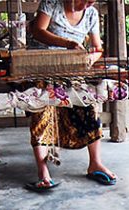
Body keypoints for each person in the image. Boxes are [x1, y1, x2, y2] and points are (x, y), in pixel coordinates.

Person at [25, 0, 116, 191]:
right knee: (43, 111)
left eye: (92, 1)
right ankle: (43, 172)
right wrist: (68, 44)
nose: (87, 4)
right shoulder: (51, 4)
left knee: (88, 107)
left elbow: (97, 47)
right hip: (44, 68)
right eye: (84, 0)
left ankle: (95, 163)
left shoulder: (90, 14)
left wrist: (91, 57)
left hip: (73, 71)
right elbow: (38, 30)